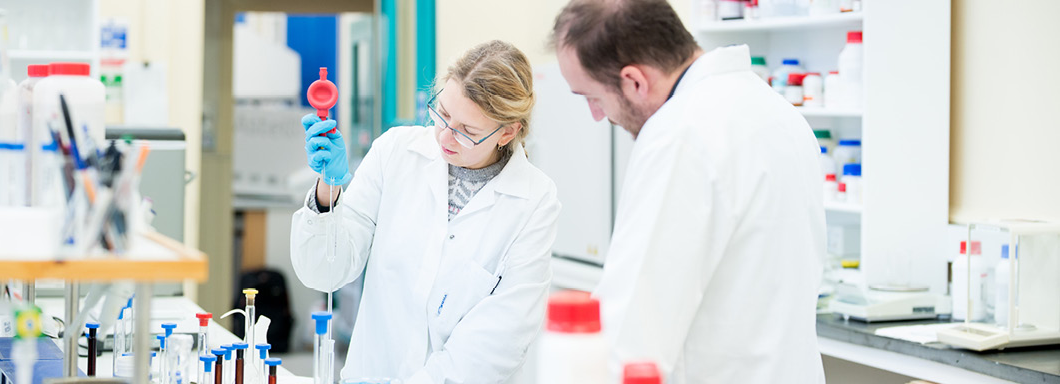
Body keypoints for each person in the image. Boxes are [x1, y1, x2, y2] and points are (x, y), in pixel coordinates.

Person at [551, 0, 827, 382]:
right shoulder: (779, 114)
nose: (597, 116)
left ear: (634, 81)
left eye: (592, 98)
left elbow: (631, 332)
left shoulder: (681, 135)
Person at [290, 40, 561, 383]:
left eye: (467, 131)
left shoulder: (534, 200)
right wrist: (327, 188)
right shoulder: (396, 152)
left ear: (507, 132)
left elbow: (498, 339)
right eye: (443, 114)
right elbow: (324, 272)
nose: (446, 136)